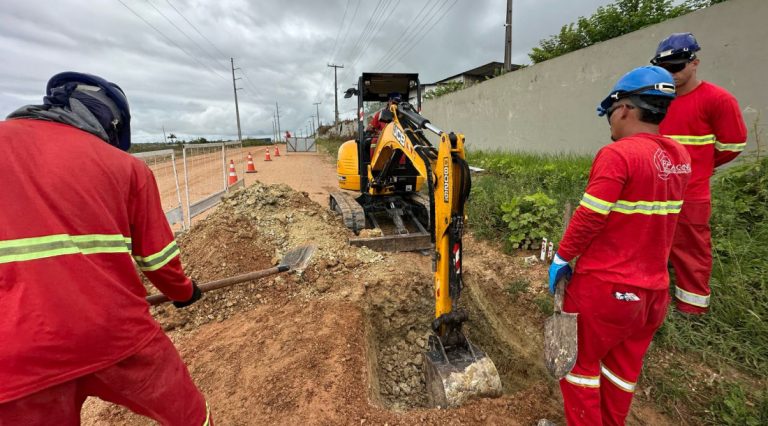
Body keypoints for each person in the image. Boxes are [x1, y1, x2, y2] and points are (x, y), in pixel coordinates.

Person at [0, 72, 212, 425]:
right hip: (115, 334)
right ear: (110, 121)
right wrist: (185, 292)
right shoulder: (126, 167)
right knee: (190, 416)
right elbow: (158, 261)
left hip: (16, 352)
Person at [549, 66, 691, 425]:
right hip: (652, 295)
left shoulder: (619, 155)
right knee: (621, 373)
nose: (610, 123)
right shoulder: (679, 158)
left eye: (610, 113)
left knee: (579, 367)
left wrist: (561, 257)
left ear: (625, 108)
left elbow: (590, 216)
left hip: (605, 289)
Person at [651, 32, 748, 314]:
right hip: (654, 188)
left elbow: (732, 145)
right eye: (665, 69)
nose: (672, 75)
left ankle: (691, 310)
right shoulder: (658, 100)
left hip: (691, 191)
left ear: (695, 63)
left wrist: (702, 167)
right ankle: (654, 302)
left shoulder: (717, 100)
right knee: (652, 244)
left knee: (691, 250)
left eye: (677, 67)